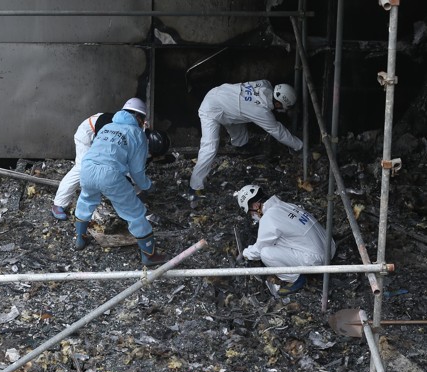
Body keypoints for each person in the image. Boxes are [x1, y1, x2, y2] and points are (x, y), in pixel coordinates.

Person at [74, 98, 167, 266]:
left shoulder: (108, 127)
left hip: (87, 168)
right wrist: (147, 186)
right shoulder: (137, 134)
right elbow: (137, 171)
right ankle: (149, 255)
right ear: (138, 117)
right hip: (109, 174)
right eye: (143, 119)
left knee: (86, 200)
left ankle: (80, 239)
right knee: (135, 213)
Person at [189, 81, 303, 199]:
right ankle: (194, 186)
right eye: (285, 107)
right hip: (210, 110)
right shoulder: (261, 111)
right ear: (279, 104)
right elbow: (278, 131)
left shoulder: (265, 84)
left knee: (239, 117)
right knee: (210, 147)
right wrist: (299, 145)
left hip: (221, 96)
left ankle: (241, 145)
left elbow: (245, 104)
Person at [234, 184, 335, 295]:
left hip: (318, 260)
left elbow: (259, 249)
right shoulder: (285, 206)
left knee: (266, 253)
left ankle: (295, 279)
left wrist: (245, 254)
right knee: (277, 240)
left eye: (251, 212)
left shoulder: (269, 217)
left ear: (256, 205)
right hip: (330, 246)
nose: (253, 215)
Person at [51, 112, 114, 220]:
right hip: (87, 136)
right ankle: (58, 204)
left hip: (99, 136)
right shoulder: (110, 125)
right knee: (82, 168)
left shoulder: (133, 131)